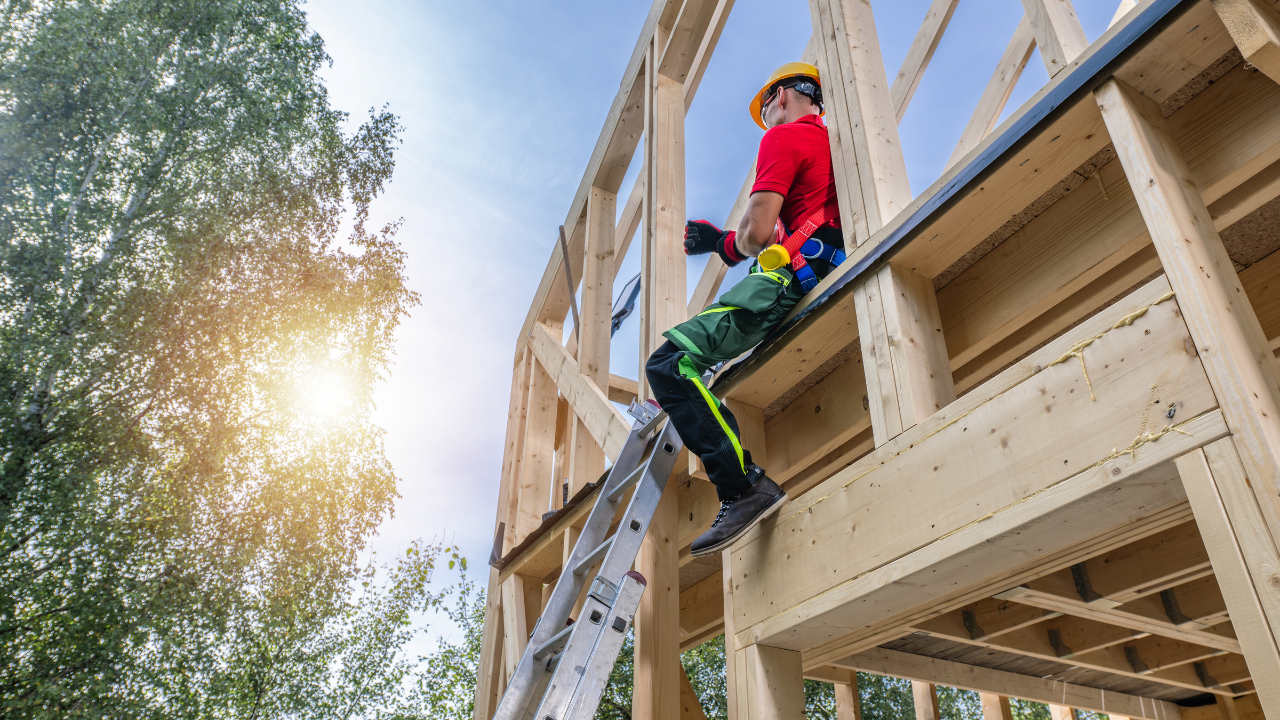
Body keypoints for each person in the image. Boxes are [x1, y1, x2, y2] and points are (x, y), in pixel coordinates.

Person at [645, 62, 845, 557]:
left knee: (670, 364)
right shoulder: (829, 143)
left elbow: (758, 234)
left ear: (781, 97)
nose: (768, 121)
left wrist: (733, 242)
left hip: (786, 280)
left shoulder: (783, 138)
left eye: (768, 111)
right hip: (815, 266)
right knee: (684, 365)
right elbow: (775, 232)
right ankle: (739, 480)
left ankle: (742, 488)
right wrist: (722, 246)